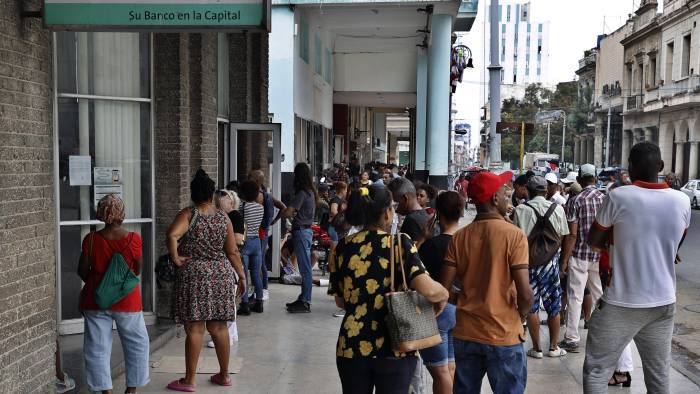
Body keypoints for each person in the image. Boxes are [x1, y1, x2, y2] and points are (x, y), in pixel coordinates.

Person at [584, 142, 690, 393]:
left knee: (597, 370)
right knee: (659, 375)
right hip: (663, 302)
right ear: (661, 167)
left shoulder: (619, 196)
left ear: (630, 168)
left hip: (622, 303)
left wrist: (619, 243)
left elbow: (594, 240)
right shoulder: (682, 201)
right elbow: (675, 246)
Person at [328, 184, 448, 394]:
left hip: (351, 346)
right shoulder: (399, 243)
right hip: (394, 346)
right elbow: (428, 289)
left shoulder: (343, 247)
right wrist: (444, 294)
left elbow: (340, 301)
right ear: (386, 214)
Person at [441, 171, 533, 393]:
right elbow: (525, 293)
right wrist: (520, 316)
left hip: (466, 332)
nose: (507, 197)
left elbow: (442, 290)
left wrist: (462, 298)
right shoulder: (514, 235)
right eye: (504, 193)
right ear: (494, 199)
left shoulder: (459, 237)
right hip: (503, 333)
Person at [166, 169, 246, 391]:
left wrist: (175, 256)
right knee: (219, 326)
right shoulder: (223, 218)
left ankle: (189, 380)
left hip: (195, 274)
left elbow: (172, 234)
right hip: (220, 274)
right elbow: (232, 252)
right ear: (211, 195)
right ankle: (224, 375)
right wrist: (241, 275)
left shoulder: (188, 214)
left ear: (193, 194)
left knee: (195, 328)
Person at [77, 194, 149, 394]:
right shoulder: (134, 239)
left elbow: (81, 271)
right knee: (137, 344)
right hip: (127, 300)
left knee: (96, 348)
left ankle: (105, 391)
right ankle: (131, 390)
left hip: (96, 299)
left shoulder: (91, 239)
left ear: (101, 213)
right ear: (122, 214)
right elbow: (137, 270)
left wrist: (100, 279)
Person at [513, 176, 569, 359]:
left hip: (527, 263)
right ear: (546, 191)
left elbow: (515, 237)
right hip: (551, 264)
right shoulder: (558, 209)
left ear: (528, 191)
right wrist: (562, 262)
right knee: (554, 306)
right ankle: (553, 348)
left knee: (532, 306)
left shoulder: (520, 209)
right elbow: (563, 236)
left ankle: (536, 348)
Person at [417, 191, 464, 394]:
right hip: (460, 310)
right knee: (450, 367)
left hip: (436, 311)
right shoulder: (466, 242)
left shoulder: (430, 246)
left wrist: (423, 239)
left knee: (439, 371)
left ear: (437, 214)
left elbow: (414, 269)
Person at [558, 164, 605, 353]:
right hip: (600, 255)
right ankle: (604, 335)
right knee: (600, 295)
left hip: (579, 256)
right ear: (595, 178)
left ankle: (571, 338)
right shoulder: (606, 199)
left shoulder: (575, 201)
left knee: (575, 296)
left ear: (579, 179)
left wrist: (563, 260)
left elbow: (572, 234)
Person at [207, 190, 245, 347]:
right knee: (229, 296)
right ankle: (232, 332)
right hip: (226, 261)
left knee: (228, 297)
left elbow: (238, 240)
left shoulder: (233, 216)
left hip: (229, 261)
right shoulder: (224, 217)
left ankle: (228, 333)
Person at [280, 163, 317, 313]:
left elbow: (289, 212)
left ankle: (305, 301)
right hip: (305, 232)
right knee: (305, 268)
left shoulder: (302, 193)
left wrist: (285, 212)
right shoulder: (311, 192)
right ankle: (303, 297)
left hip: (301, 232)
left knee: (305, 269)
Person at [249, 170, 287, 302]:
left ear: (256, 181)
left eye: (250, 177)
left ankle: (261, 290)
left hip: (257, 233)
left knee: (258, 263)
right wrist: (273, 222)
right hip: (262, 232)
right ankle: (262, 289)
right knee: (261, 262)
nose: (248, 178)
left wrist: (273, 221)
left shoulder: (257, 196)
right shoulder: (267, 195)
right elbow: (283, 207)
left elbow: (283, 207)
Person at [238, 180, 266, 315]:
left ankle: (245, 305)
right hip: (257, 242)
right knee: (256, 274)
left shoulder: (242, 207)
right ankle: (259, 302)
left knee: (243, 275)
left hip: (245, 242)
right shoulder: (260, 208)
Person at [388, 177, 431, 245]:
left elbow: (410, 252)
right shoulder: (425, 215)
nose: (395, 210)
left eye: (396, 204)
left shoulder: (411, 220)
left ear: (405, 199)